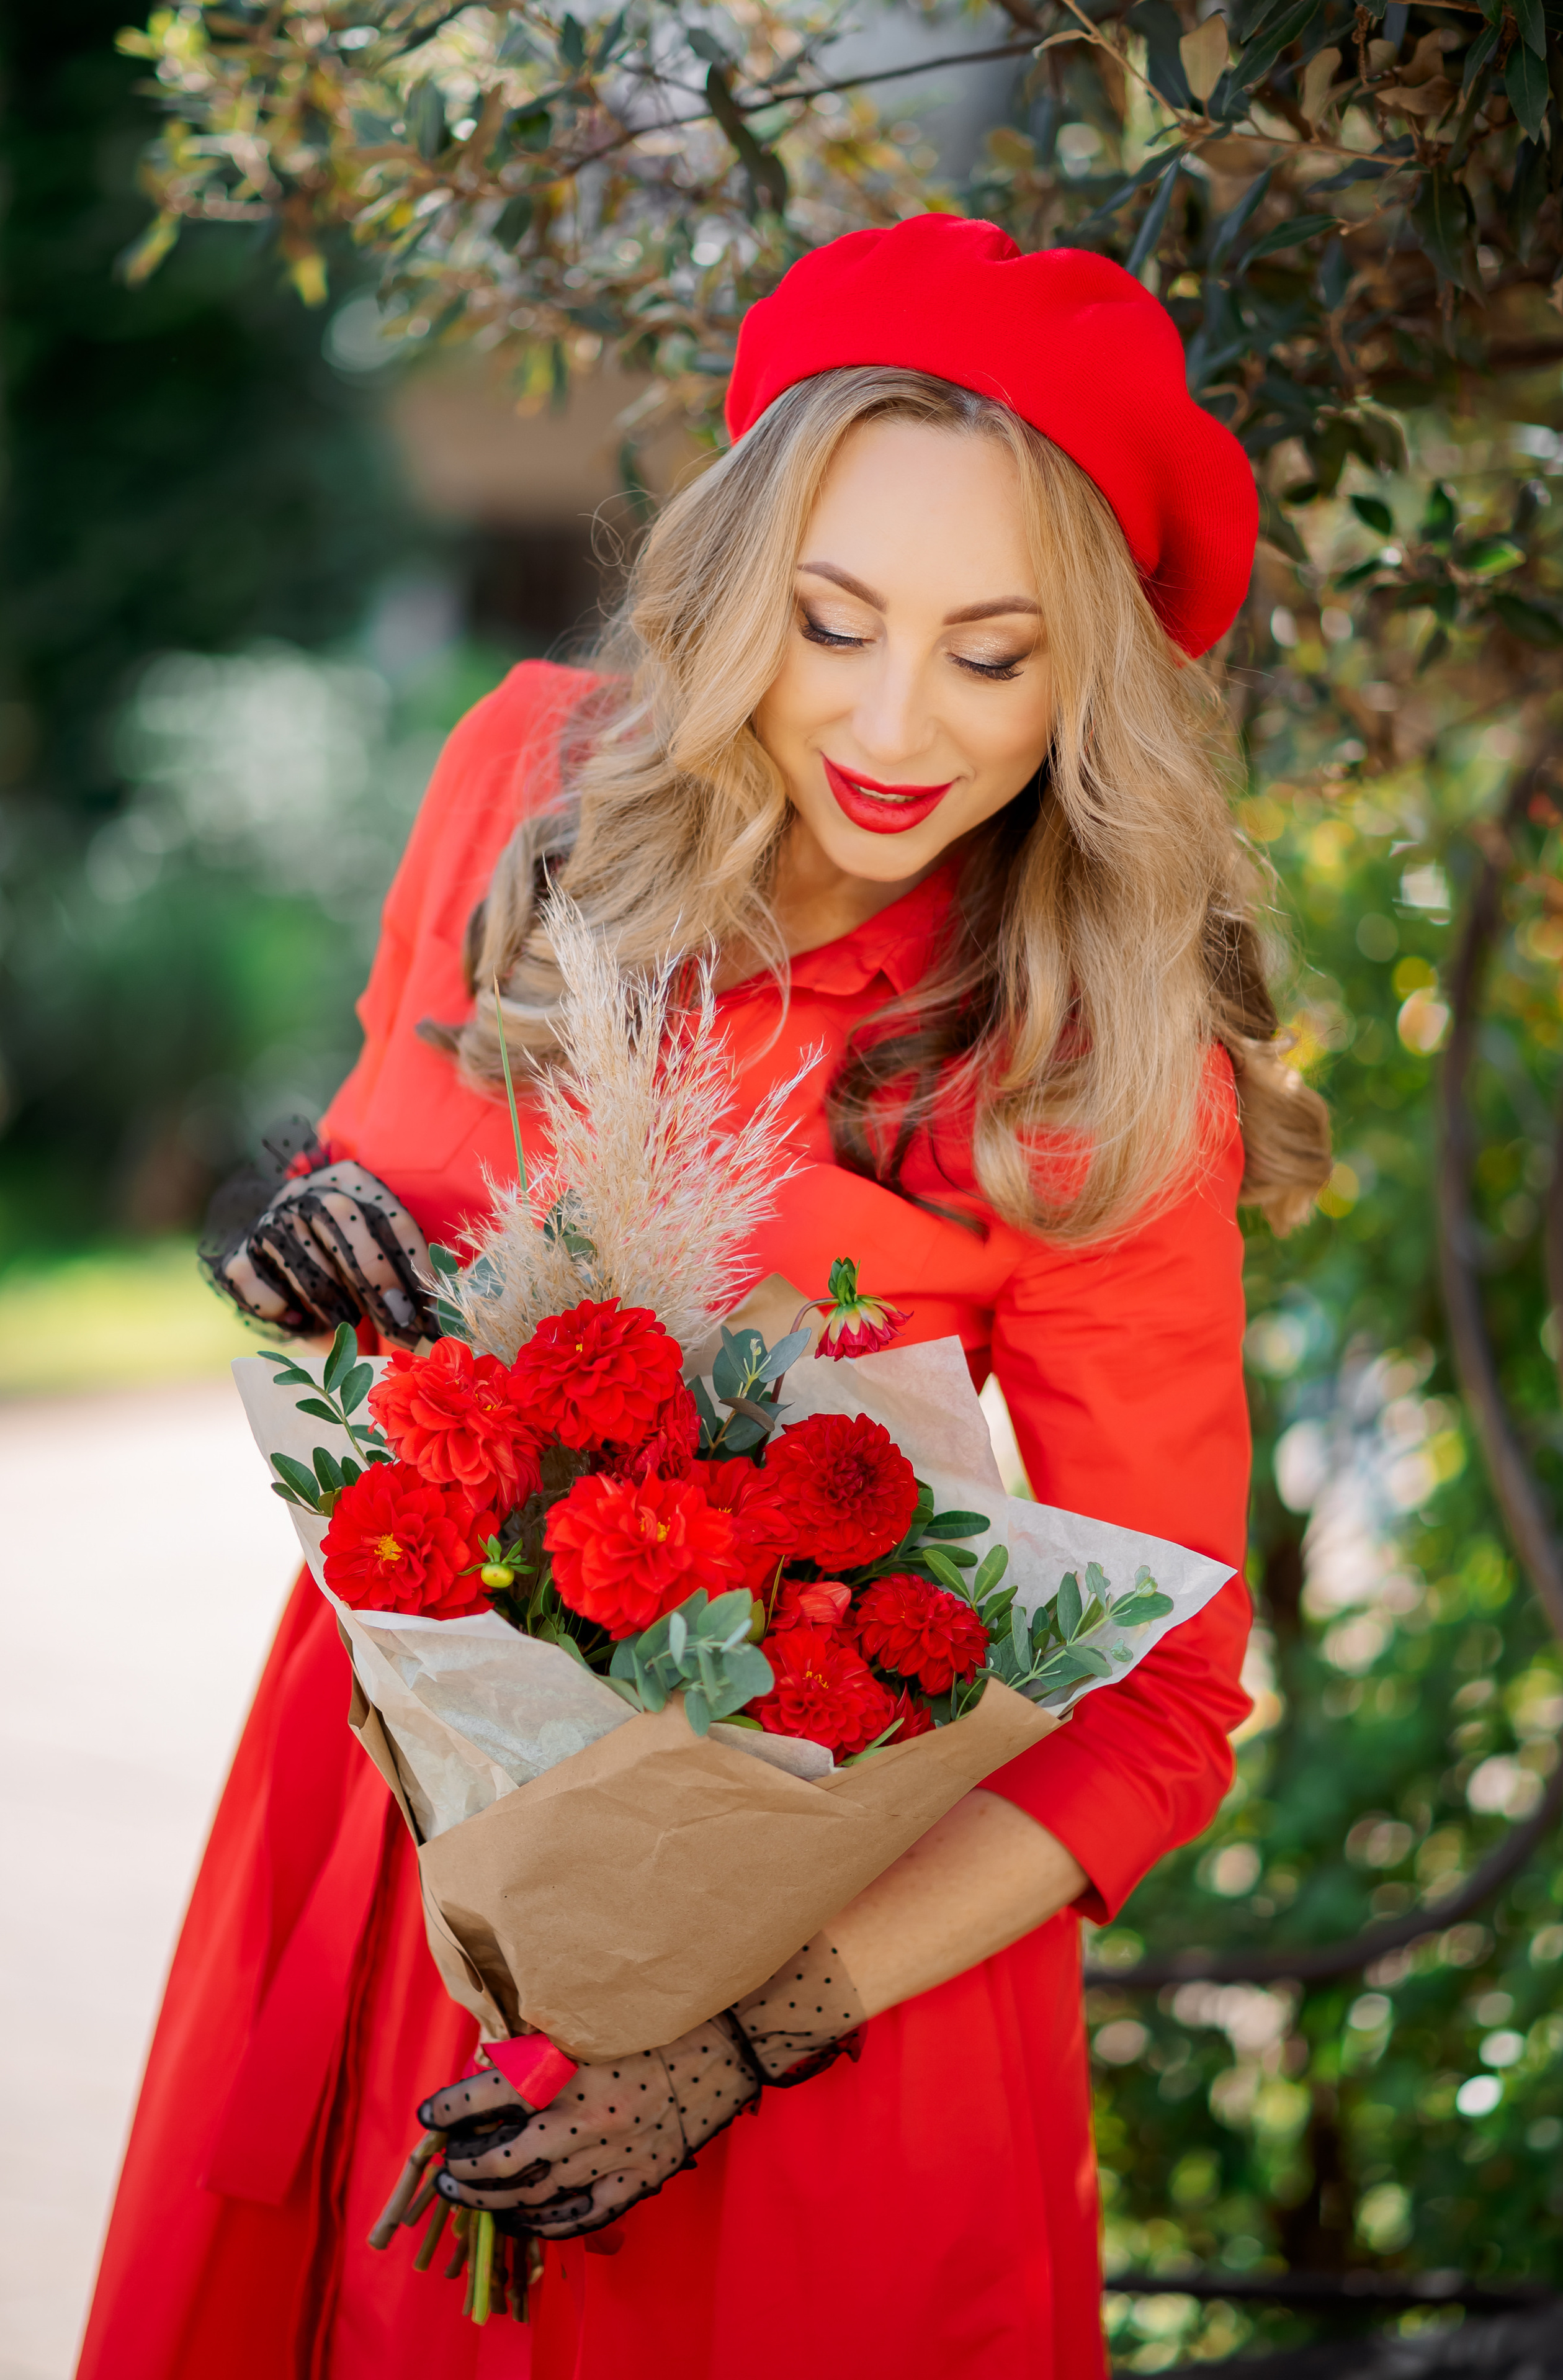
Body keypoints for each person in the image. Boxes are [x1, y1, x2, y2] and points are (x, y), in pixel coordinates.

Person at [76, 215, 1329, 2380]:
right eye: (832, 622)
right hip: (403, 1853)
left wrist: (749, 2036)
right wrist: (312, 1260)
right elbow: (381, 1264)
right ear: (742, 583)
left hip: (825, 1999)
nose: (891, 722)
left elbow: (1161, 1698)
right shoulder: (534, 792)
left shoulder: (1101, 1068)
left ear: (1090, 678)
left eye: (993, 655)